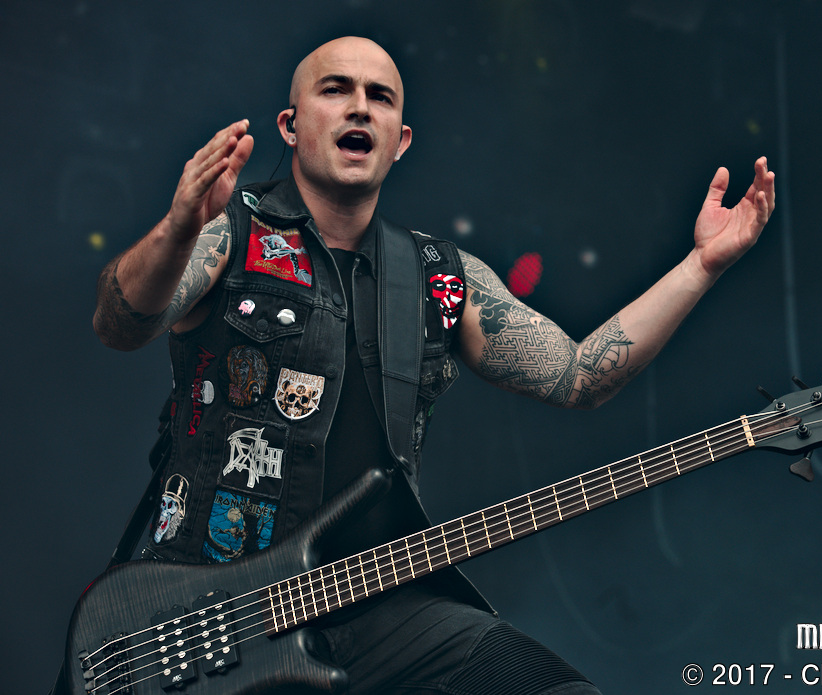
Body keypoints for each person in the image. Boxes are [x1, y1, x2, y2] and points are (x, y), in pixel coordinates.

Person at [93, 36, 774, 695]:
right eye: (336, 89)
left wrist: (701, 265)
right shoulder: (230, 233)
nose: (360, 107)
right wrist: (179, 227)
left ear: (401, 140)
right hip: (211, 612)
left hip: (372, 601)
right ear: (291, 126)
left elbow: (578, 375)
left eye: (380, 97)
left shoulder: (439, 277)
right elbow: (121, 323)